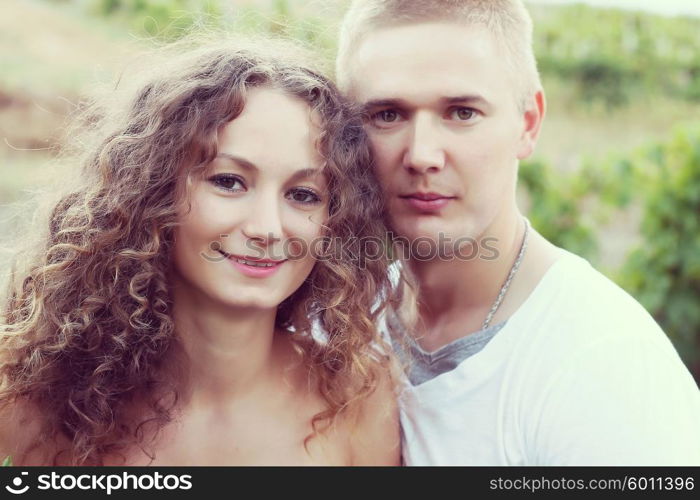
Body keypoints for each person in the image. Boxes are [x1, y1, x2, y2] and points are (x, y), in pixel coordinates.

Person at [0, 37, 400, 466]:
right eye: (228, 181)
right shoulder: (28, 396)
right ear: (150, 192)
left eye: (303, 194)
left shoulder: (357, 400)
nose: (267, 228)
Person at [336, 0, 700, 465]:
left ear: (528, 123)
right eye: (387, 114)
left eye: (462, 113)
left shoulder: (605, 363)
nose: (422, 154)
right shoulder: (339, 322)